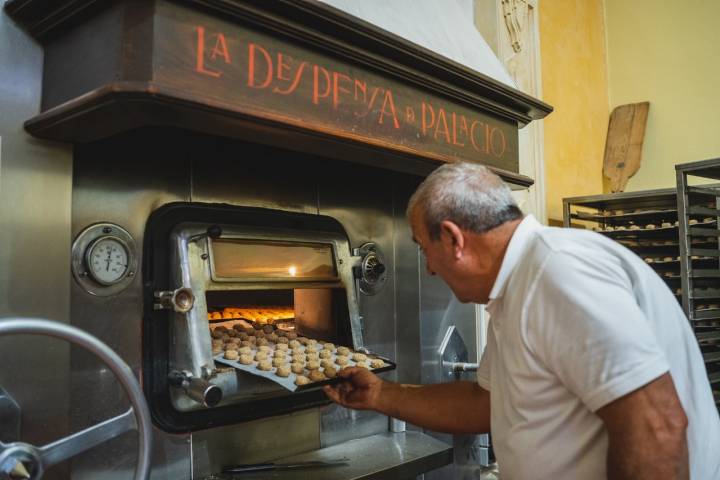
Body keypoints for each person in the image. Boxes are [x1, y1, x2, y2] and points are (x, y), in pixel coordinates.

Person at [324, 162, 720, 479]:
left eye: (425, 250)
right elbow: (488, 403)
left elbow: (657, 428)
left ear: (453, 239)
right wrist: (380, 395)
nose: (429, 269)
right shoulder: (517, 286)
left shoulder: (558, 271)